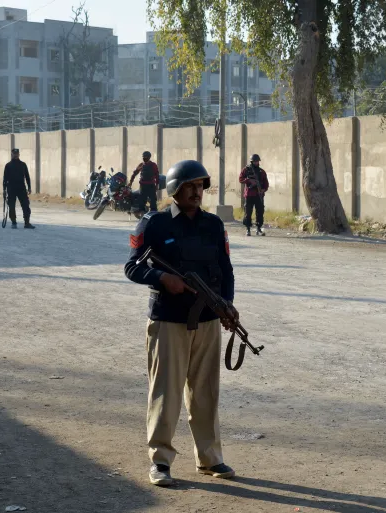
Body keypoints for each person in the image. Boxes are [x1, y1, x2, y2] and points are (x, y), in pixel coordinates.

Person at [125, 160, 238, 486]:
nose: (197, 192)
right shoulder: (154, 223)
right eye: (190, 186)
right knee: (166, 394)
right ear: (175, 189)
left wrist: (227, 305)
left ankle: (210, 458)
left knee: (206, 394)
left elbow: (226, 270)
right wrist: (162, 278)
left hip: (207, 321)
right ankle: (160, 461)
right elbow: (132, 267)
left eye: (200, 186)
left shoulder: (213, 225)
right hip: (169, 321)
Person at [2, 148, 35, 229]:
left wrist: (29, 187)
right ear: (11, 155)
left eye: (17, 154)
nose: (15, 155)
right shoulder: (8, 165)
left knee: (26, 205)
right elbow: (5, 179)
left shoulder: (23, 165)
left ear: (19, 154)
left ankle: (27, 223)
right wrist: (4, 190)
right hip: (11, 189)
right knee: (11, 206)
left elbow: (27, 177)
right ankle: (14, 222)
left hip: (21, 188)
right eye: (14, 154)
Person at [238, 154, 269, 236]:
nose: (256, 162)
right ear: (252, 161)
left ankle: (258, 229)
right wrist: (248, 180)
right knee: (248, 212)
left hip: (259, 195)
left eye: (257, 161)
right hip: (249, 194)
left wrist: (263, 190)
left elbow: (266, 184)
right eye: (255, 161)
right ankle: (248, 229)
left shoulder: (262, 172)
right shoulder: (246, 170)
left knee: (260, 212)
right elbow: (240, 179)